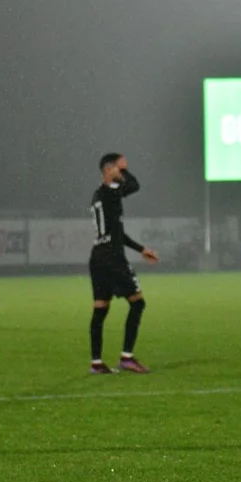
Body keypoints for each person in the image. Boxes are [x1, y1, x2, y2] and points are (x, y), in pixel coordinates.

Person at [88, 153, 159, 375]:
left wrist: (141, 249)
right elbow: (134, 185)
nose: (123, 173)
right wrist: (124, 171)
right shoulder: (110, 194)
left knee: (100, 310)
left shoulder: (98, 195)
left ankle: (96, 362)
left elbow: (117, 233)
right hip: (112, 258)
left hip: (98, 257)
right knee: (138, 304)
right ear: (109, 170)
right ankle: (127, 358)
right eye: (119, 169)